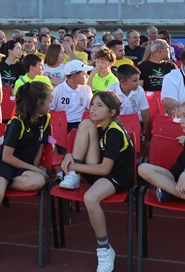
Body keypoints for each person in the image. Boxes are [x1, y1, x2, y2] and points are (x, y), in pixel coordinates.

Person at [0, 82, 53, 264]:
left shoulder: (46, 119)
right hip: (5, 164)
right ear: (39, 103)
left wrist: (34, 167)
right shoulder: (16, 123)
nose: (51, 104)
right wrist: (34, 169)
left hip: (23, 167)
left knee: (38, 182)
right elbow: (7, 156)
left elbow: (40, 147)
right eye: (49, 100)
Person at [58, 91, 137, 272]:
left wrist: (73, 167)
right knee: (85, 123)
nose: (93, 108)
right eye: (92, 104)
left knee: (90, 198)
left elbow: (105, 169)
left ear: (112, 112)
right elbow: (94, 160)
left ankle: (104, 248)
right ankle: (73, 176)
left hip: (118, 176)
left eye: (99, 106)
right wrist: (70, 156)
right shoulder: (100, 126)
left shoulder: (115, 132)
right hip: (100, 170)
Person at [107, 64, 150, 142]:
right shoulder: (110, 91)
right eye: (135, 81)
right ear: (123, 82)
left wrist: (148, 138)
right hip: (116, 125)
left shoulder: (139, 90)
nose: (138, 83)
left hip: (135, 124)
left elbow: (145, 115)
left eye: (138, 79)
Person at [52, 60, 93, 126]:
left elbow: (90, 109)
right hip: (61, 124)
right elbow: (51, 110)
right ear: (75, 77)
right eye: (84, 74)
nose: (87, 76)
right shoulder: (58, 90)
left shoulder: (87, 89)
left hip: (81, 123)